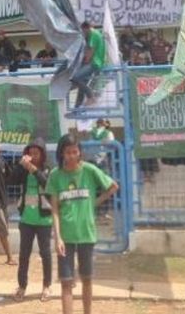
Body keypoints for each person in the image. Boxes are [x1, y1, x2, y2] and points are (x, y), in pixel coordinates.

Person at [47, 134, 118, 314]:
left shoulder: (90, 170)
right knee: (66, 281)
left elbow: (113, 187)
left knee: (87, 278)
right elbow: (54, 210)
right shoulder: (55, 176)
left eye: (74, 152)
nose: (71, 156)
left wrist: (93, 202)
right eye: (67, 152)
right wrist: (58, 238)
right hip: (66, 236)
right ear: (61, 154)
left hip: (87, 233)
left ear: (80, 153)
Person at [11, 140, 53, 302]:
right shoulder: (23, 170)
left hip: (44, 220)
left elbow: (47, 184)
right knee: (24, 255)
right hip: (27, 219)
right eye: (30, 153)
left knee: (46, 254)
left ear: (42, 154)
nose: (33, 156)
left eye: (36, 153)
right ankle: (22, 286)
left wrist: (33, 170)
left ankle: (46, 286)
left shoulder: (47, 169)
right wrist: (21, 166)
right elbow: (11, 180)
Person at [71, 21, 106, 107]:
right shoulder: (97, 33)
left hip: (94, 63)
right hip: (96, 62)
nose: (83, 33)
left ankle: (90, 96)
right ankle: (77, 107)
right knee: (82, 85)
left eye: (83, 31)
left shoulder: (93, 34)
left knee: (75, 78)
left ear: (85, 28)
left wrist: (85, 60)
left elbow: (91, 50)